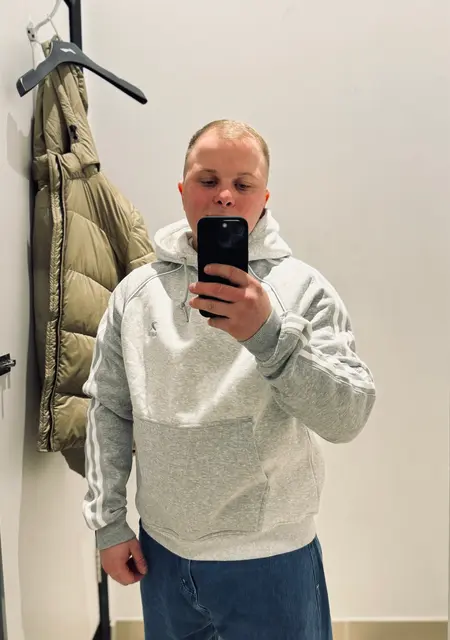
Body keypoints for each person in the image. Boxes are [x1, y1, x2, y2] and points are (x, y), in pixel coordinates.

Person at [82, 119, 376, 639]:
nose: (224, 196)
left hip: (272, 556)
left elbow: (347, 416)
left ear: (264, 198)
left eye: (242, 184)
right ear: (182, 190)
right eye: (208, 180)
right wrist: (108, 523)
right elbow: (109, 409)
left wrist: (268, 335)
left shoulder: (302, 289)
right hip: (162, 552)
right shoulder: (135, 294)